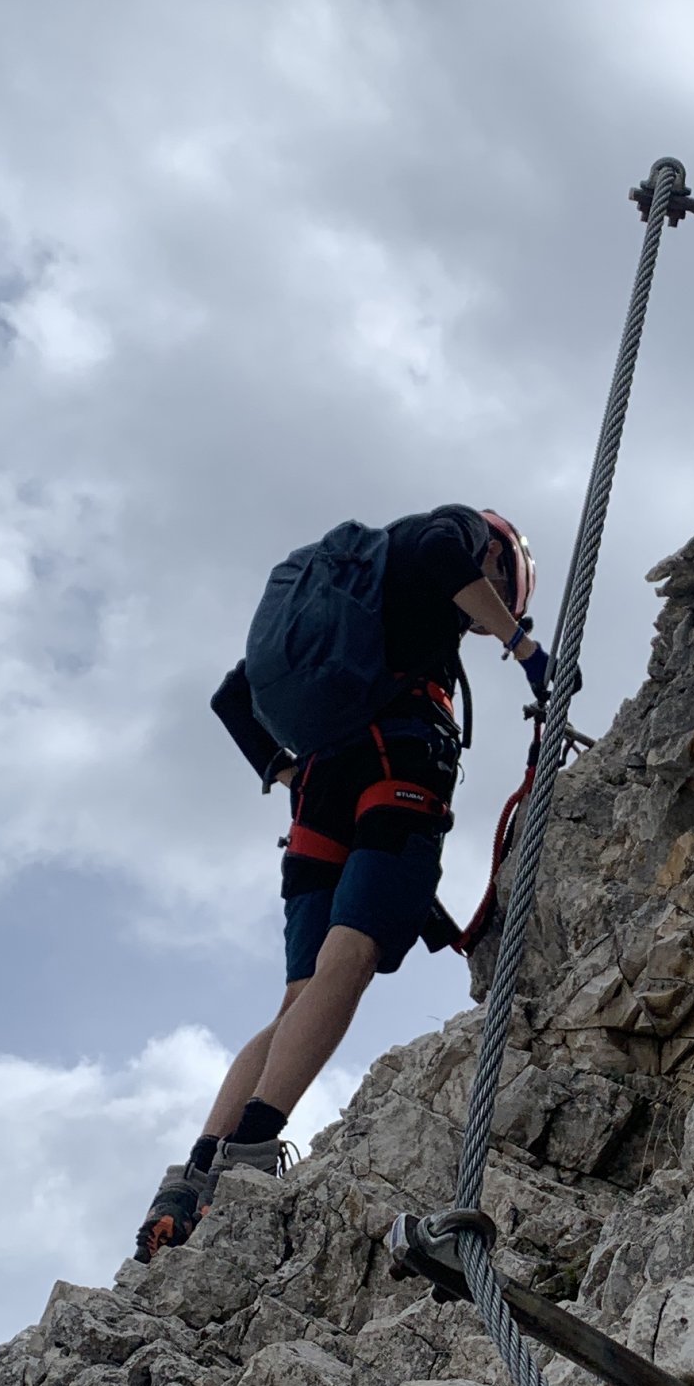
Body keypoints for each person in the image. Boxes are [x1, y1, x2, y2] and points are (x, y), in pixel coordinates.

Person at [133, 504, 548, 1259]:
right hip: (400, 759)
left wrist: (283, 770)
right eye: (490, 603)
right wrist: (523, 647)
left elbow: (232, 696)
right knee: (350, 959)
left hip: (320, 785)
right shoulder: (451, 532)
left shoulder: (348, 597)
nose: (477, 622)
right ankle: (249, 1153)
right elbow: (440, 552)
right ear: (497, 559)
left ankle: (190, 1179)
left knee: (301, 995)